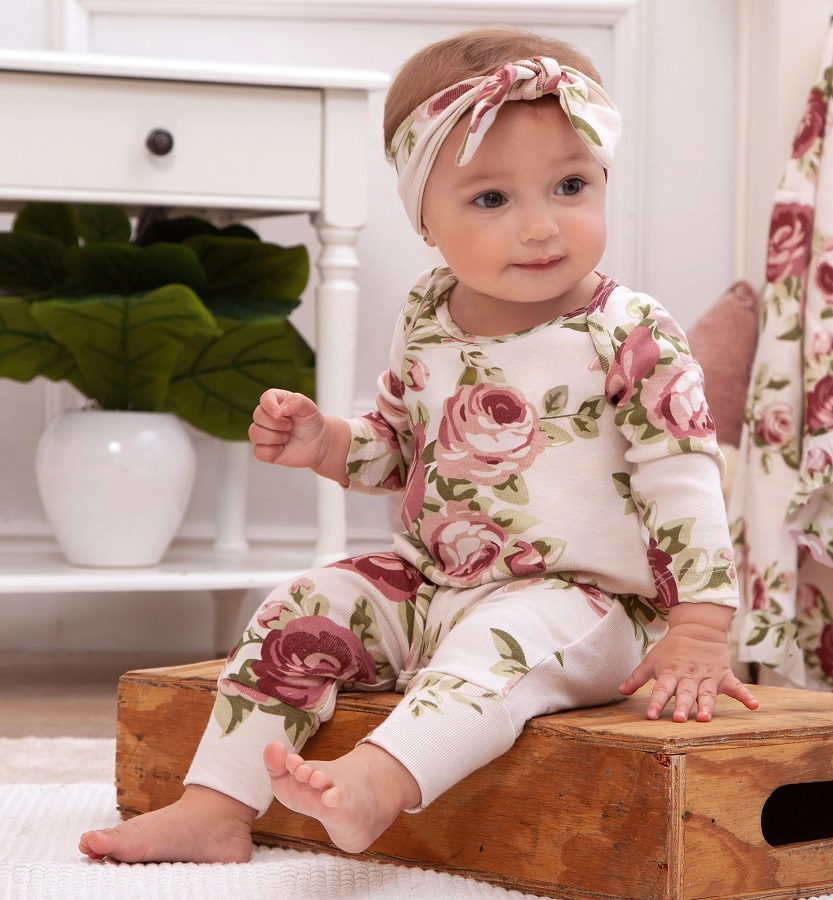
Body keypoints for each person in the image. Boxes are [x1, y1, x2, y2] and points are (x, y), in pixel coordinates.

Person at [79, 25, 758, 865]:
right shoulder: (429, 316)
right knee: (303, 601)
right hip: (436, 584)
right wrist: (324, 441)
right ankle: (215, 803)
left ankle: (377, 785)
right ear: (425, 223)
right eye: (492, 200)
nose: (542, 227)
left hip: (584, 608)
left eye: (571, 185)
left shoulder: (629, 329)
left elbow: (684, 479)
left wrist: (697, 626)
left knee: (497, 649)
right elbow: (400, 451)